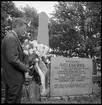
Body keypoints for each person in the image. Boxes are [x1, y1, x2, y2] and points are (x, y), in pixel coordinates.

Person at [1, 18, 32, 103]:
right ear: (17, 26)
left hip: (14, 77)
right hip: (13, 77)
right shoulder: (11, 38)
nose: (25, 31)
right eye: (24, 28)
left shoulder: (13, 37)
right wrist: (26, 69)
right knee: (12, 101)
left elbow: (15, 56)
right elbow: (13, 59)